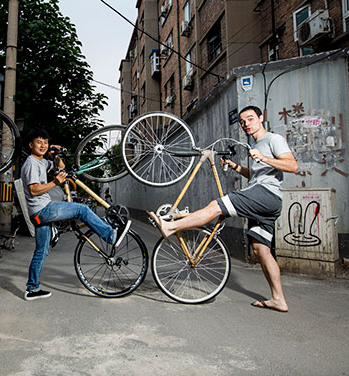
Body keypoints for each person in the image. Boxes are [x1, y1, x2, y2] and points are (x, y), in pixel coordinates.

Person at [148, 106, 298, 312]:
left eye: (250, 119)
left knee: (215, 206)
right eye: (242, 121)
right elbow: (256, 176)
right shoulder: (255, 145)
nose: (246, 124)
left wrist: (262, 157)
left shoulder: (273, 139)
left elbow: (292, 166)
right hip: (264, 199)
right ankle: (278, 299)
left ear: (261, 118)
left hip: (267, 195)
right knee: (261, 250)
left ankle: (170, 227)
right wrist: (236, 166)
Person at [21, 128, 131, 301]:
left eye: (45, 142)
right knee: (82, 209)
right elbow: (34, 190)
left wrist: (55, 154)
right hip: (42, 209)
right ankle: (111, 235)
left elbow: (61, 167)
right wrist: (55, 182)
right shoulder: (31, 163)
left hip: (39, 213)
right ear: (30, 144)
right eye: (38, 142)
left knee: (41, 251)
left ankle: (32, 289)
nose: (42, 145)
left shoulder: (42, 162)